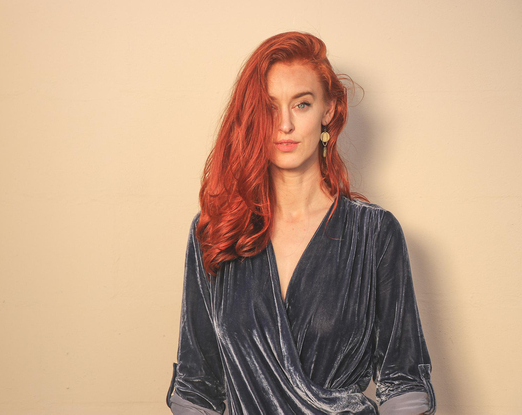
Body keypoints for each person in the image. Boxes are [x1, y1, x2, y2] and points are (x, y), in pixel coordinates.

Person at [166, 32, 436, 415]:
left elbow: (403, 384)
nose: (285, 124)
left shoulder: (375, 234)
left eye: (302, 104)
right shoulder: (217, 231)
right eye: (269, 107)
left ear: (328, 111)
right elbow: (197, 388)